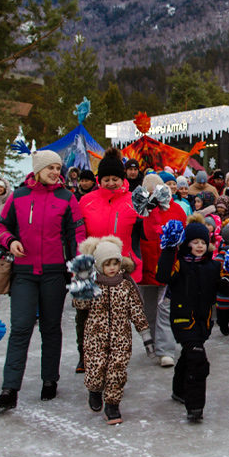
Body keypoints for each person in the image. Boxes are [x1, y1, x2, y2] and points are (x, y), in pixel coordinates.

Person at [0, 150, 87, 410]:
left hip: (55, 273)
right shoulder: (18, 196)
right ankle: (9, 389)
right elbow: (0, 227)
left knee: (51, 327)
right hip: (23, 272)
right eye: (51, 168)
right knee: (20, 328)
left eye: (58, 168)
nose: (56, 172)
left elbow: (77, 233)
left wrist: (77, 265)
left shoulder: (67, 197)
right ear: (38, 169)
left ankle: (49, 380)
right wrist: (11, 241)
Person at [76, 148, 146, 372]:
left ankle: (115, 358)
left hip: (121, 266)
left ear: (122, 178)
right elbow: (77, 232)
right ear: (99, 180)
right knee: (86, 314)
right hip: (89, 266)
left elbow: (145, 232)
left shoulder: (133, 201)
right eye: (106, 179)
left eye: (115, 178)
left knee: (118, 317)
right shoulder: (86, 201)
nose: (111, 183)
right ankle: (84, 355)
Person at [73, 236, 149, 425]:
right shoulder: (93, 283)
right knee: (95, 368)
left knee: (117, 370)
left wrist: (145, 332)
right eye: (108, 264)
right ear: (99, 266)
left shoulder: (125, 284)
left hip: (121, 337)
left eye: (116, 263)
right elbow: (80, 304)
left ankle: (112, 405)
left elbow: (136, 309)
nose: (113, 268)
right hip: (95, 336)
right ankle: (95, 390)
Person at [155, 217, 222, 422]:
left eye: (203, 242)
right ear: (186, 244)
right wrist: (168, 249)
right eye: (194, 242)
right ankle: (195, 407)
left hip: (203, 321)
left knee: (189, 355)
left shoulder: (212, 266)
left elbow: (222, 287)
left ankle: (179, 389)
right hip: (183, 320)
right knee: (197, 360)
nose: (199, 246)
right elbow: (162, 276)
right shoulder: (179, 264)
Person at [134, 173, 186, 367]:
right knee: (148, 309)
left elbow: (182, 234)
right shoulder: (139, 210)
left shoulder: (176, 209)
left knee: (165, 308)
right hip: (145, 268)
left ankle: (166, 350)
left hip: (167, 267)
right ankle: (154, 343)